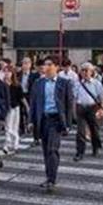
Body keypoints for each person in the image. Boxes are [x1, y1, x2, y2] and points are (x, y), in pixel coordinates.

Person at [29, 56, 74, 194]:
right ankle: (49, 177)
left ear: (56, 67)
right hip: (43, 119)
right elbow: (34, 103)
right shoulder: (38, 83)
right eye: (45, 65)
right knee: (45, 151)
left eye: (49, 64)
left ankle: (52, 180)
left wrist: (68, 124)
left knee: (52, 149)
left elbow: (68, 104)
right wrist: (31, 121)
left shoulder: (64, 83)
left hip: (56, 120)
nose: (46, 67)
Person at [74, 62, 103, 161]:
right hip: (80, 108)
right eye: (82, 70)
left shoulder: (96, 83)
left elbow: (102, 98)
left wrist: (102, 109)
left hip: (92, 108)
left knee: (94, 130)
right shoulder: (77, 84)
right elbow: (74, 98)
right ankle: (80, 152)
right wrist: (73, 111)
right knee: (80, 131)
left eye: (86, 70)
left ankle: (95, 147)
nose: (84, 72)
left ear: (91, 72)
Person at [3, 67, 26, 155]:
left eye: (8, 72)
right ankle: (7, 145)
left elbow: (21, 97)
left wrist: (27, 107)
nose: (6, 74)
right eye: (5, 72)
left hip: (15, 107)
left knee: (14, 127)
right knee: (7, 127)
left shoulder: (16, 85)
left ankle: (15, 143)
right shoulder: (2, 85)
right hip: (6, 108)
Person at [17, 57, 39, 138]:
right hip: (20, 94)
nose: (25, 65)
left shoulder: (34, 75)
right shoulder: (18, 74)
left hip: (29, 95)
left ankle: (30, 126)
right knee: (19, 112)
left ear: (30, 65)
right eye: (23, 63)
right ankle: (21, 128)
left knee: (29, 111)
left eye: (27, 63)